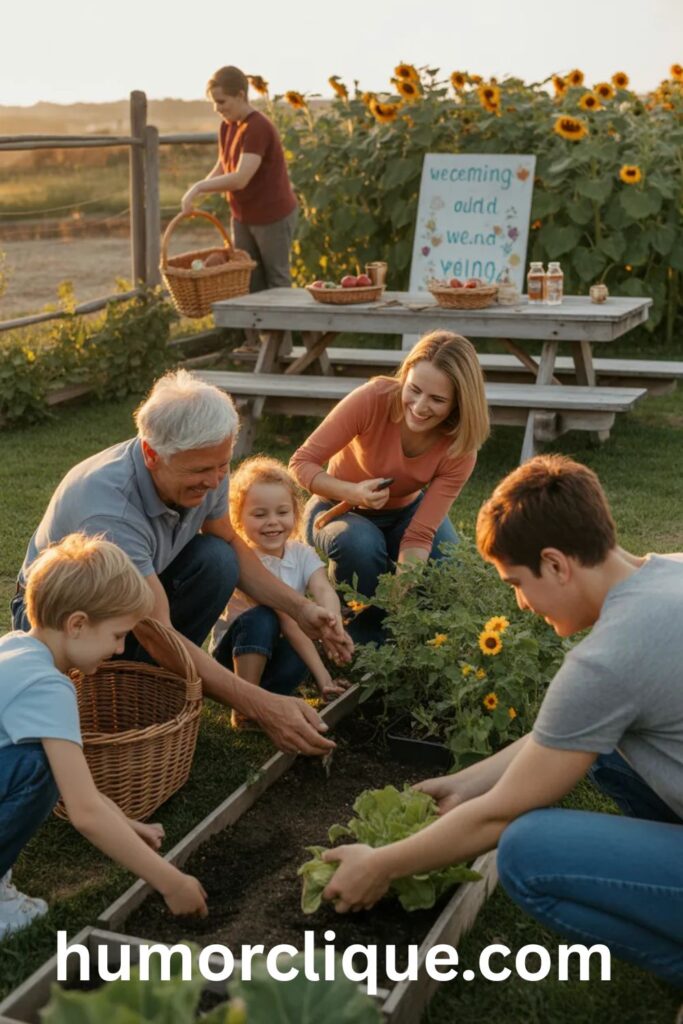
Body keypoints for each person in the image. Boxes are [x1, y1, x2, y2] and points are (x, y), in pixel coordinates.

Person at [322, 455, 683, 987]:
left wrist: (380, 864)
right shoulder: (667, 571)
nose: (518, 602)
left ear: (557, 564)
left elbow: (499, 818)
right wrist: (465, 782)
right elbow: (562, 739)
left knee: (525, 850)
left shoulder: (608, 659)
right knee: (602, 748)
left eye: (517, 581)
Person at [11, 369, 353, 757]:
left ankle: (153, 686)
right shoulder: (109, 510)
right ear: (152, 454)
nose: (215, 480)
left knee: (218, 558)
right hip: (55, 616)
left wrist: (301, 607)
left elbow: (228, 540)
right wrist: (259, 704)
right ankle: (126, 691)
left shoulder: (206, 462)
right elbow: (156, 629)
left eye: (222, 465)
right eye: (201, 471)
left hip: (132, 593)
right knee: (168, 623)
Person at [0, 534, 208, 939]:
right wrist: (171, 882)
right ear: (77, 624)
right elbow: (85, 810)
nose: (121, 648)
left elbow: (86, 795)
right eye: (117, 635)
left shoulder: (15, 647)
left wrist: (126, 823)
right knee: (39, 770)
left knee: (36, 764)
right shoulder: (48, 686)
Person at [289, 331, 490, 645]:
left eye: (437, 400)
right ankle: (356, 641)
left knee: (447, 569)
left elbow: (420, 534)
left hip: (405, 514)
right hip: (335, 508)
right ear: (405, 376)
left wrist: (397, 599)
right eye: (414, 390)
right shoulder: (373, 399)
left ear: (458, 405)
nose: (420, 407)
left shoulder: (459, 449)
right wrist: (353, 493)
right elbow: (301, 462)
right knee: (360, 546)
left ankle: (414, 644)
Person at [211, 456, 350, 726]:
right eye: (260, 514)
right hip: (234, 658)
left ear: (296, 514)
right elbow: (287, 619)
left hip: (277, 651)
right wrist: (324, 677)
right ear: (237, 517)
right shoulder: (244, 560)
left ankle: (268, 699)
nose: (272, 522)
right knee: (265, 617)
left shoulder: (301, 553)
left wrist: (333, 623)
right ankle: (243, 705)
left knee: (300, 653)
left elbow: (323, 588)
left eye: (282, 512)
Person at [181, 65, 298, 296]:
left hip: (272, 216)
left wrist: (197, 187)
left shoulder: (258, 127)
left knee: (277, 282)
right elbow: (224, 165)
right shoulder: (227, 126)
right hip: (243, 216)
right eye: (214, 102)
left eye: (222, 101)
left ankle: (282, 334)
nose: (217, 108)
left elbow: (240, 178)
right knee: (248, 282)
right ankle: (255, 334)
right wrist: (199, 194)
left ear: (241, 96)